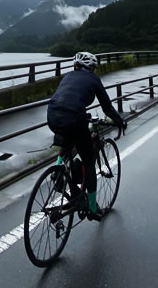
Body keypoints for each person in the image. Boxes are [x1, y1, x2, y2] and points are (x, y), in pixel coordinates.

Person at [47, 51, 127, 221]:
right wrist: (119, 121)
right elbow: (107, 107)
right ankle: (92, 208)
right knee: (89, 161)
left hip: (52, 115)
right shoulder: (93, 79)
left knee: (67, 140)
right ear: (91, 67)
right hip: (75, 117)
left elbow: (67, 98)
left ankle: (58, 171)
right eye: (93, 67)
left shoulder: (67, 76)